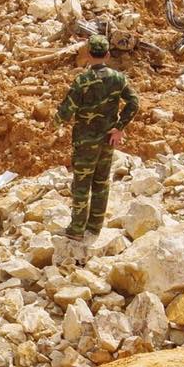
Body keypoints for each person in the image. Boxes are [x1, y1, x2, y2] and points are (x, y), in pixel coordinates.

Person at [53, 35, 138, 239]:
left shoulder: (82, 81)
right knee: (101, 182)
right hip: (107, 139)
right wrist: (119, 127)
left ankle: (76, 229)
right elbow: (134, 103)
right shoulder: (118, 78)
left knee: (81, 183)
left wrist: (54, 122)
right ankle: (95, 226)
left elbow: (66, 112)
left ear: (89, 55)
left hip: (85, 141)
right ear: (107, 54)